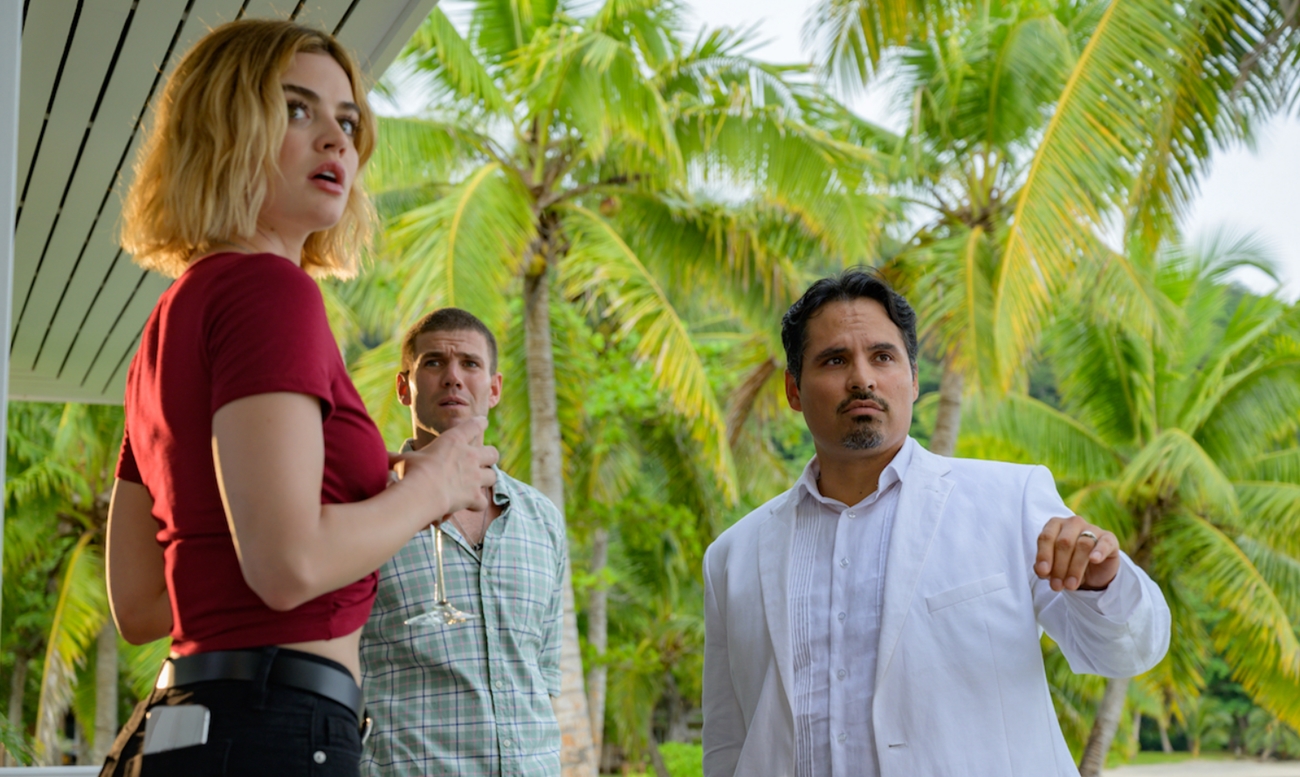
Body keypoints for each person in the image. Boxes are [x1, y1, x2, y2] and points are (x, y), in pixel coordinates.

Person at [101, 20, 498, 776]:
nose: (335, 140)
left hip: (192, 723)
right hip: (275, 728)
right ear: (223, 130)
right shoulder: (268, 289)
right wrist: (433, 487)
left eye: (347, 120)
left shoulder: (167, 324)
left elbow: (142, 603)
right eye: (295, 109)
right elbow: (287, 563)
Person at [701, 270, 1171, 777]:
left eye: (883, 357)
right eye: (834, 359)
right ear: (794, 390)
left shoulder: (1008, 501)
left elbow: (1129, 651)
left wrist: (1102, 582)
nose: (862, 379)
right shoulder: (732, 556)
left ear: (914, 379)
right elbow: (727, 743)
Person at [358, 308, 566, 777]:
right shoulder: (365, 508)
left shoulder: (542, 520)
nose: (453, 377)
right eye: (433, 362)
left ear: (494, 388)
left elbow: (542, 677)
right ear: (403, 387)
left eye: (470, 364)